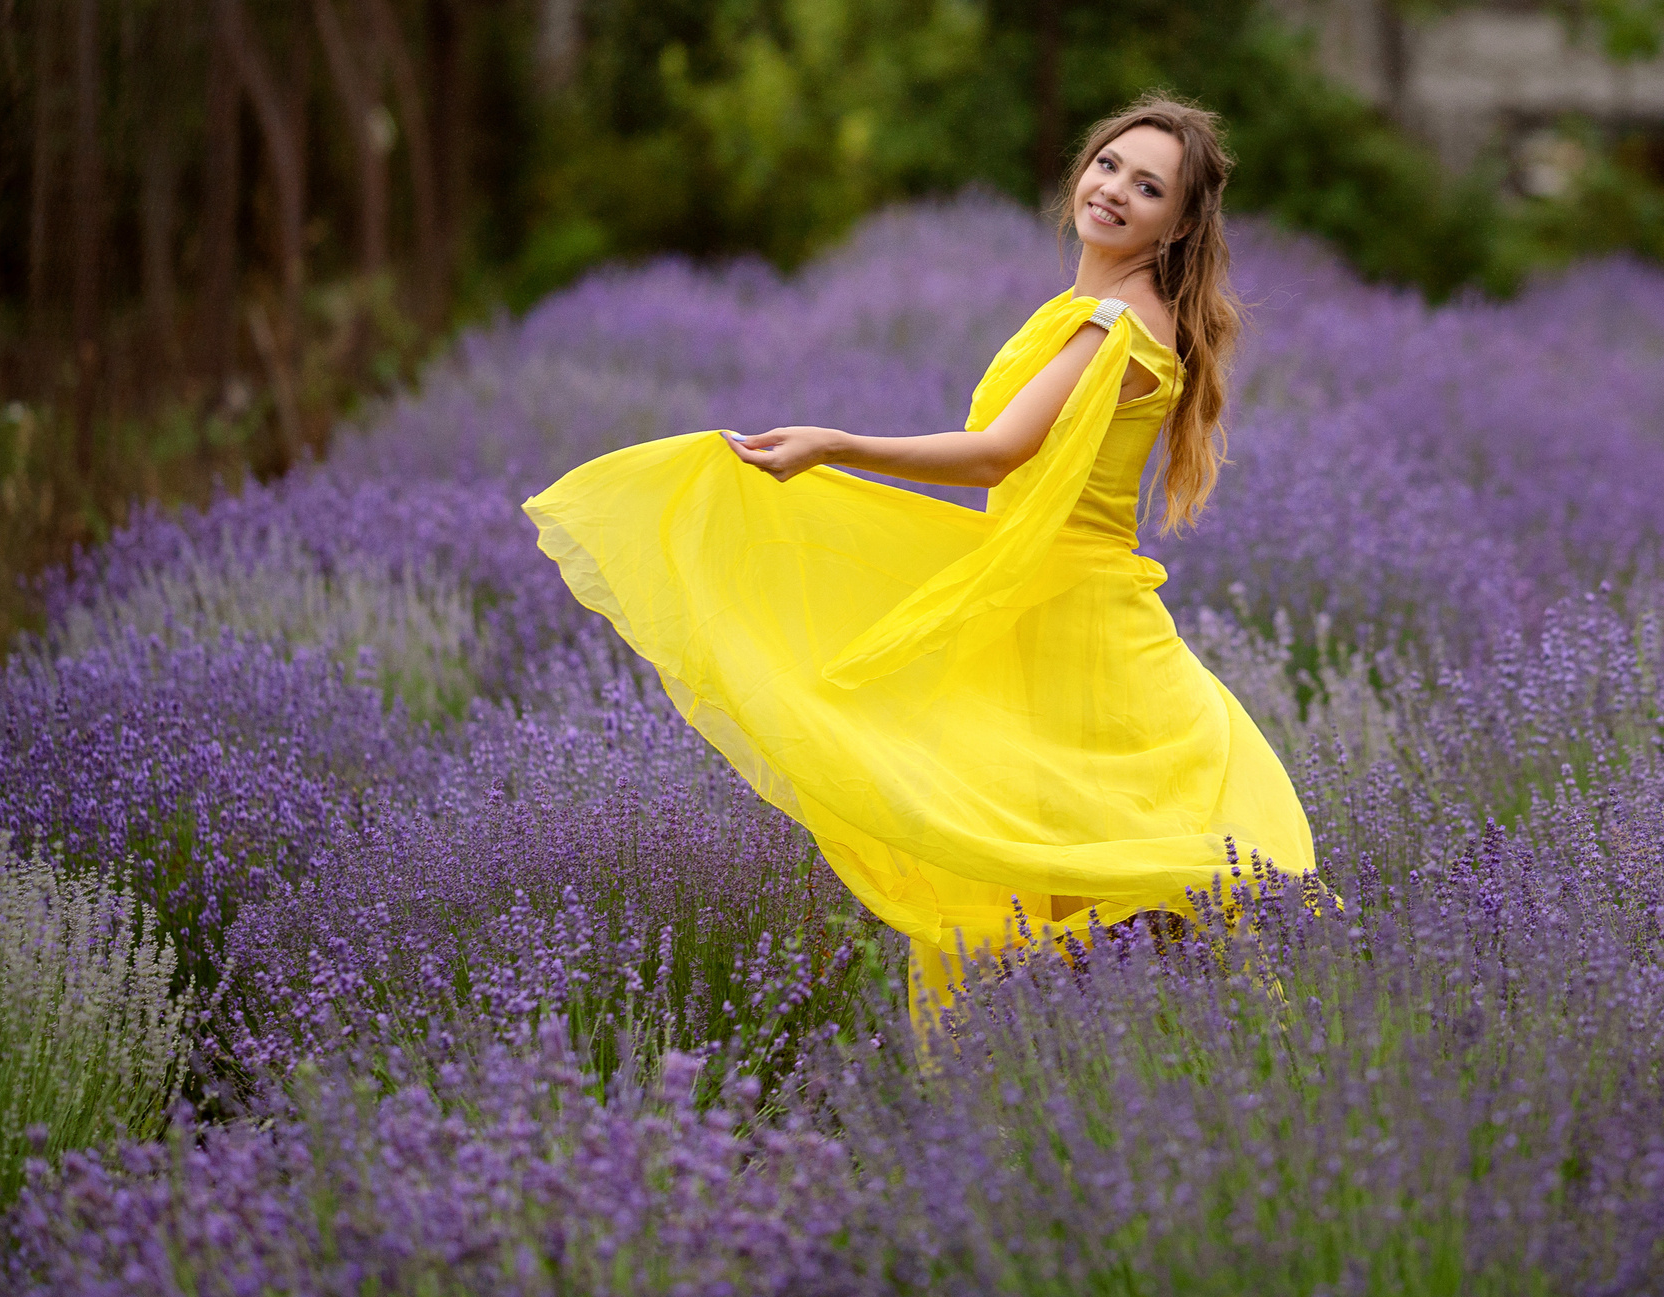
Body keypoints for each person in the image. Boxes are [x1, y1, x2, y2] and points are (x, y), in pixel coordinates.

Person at [522, 94, 1316, 1033]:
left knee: (1083, 860)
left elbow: (995, 455)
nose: (1113, 190)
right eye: (1108, 164)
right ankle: (1108, 1059)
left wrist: (834, 444)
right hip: (1044, 600)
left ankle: (1129, 1059)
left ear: (1177, 224)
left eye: (1149, 188)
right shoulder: (1097, 311)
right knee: (1064, 858)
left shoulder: (1115, 324)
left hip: (1072, 620)